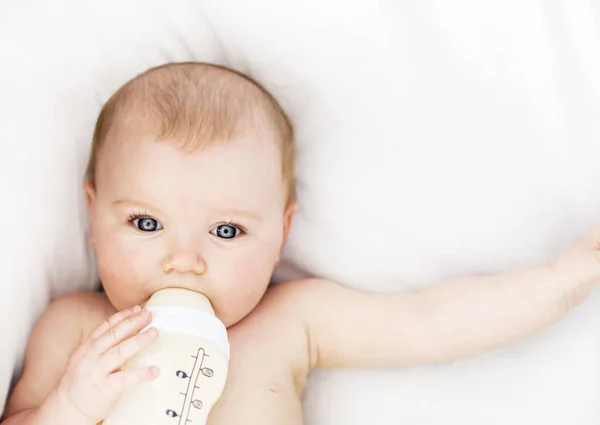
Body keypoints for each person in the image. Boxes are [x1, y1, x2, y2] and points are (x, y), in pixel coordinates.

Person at [2, 62, 599, 425]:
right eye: (146, 223)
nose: (183, 260)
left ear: (281, 234)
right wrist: (73, 406)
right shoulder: (78, 329)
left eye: (227, 231)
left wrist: (558, 283)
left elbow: (430, 322)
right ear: (93, 215)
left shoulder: (292, 320)